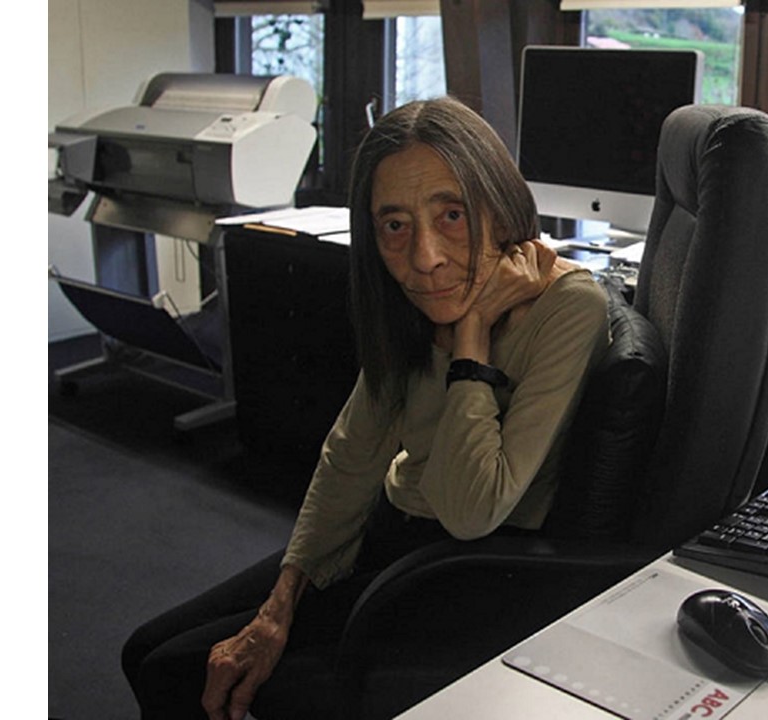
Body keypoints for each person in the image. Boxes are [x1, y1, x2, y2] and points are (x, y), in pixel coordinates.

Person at [121, 96, 610, 720]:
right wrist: (281, 604)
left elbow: (470, 509)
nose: (425, 257)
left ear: (500, 204)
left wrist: (472, 338)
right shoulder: (408, 299)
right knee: (144, 648)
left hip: (456, 570)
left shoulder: (569, 307)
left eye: (452, 215)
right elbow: (350, 455)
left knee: (170, 673)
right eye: (395, 226)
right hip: (386, 530)